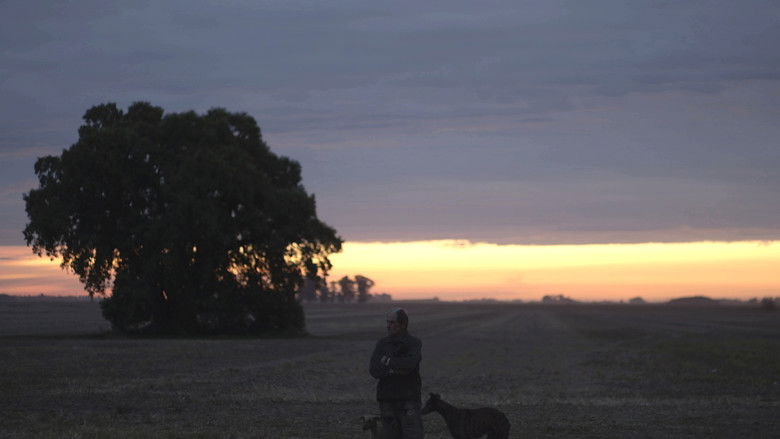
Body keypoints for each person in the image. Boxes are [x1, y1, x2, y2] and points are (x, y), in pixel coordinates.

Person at [369, 308, 424, 438]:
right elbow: (374, 370)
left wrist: (387, 361)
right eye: (388, 322)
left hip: (408, 399)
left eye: (392, 322)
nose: (388, 326)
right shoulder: (382, 344)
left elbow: (409, 365)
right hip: (386, 399)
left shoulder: (414, 343)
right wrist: (396, 368)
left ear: (403, 324)